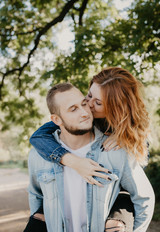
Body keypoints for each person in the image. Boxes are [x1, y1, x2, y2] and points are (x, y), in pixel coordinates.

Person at [27, 67, 151, 231]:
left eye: (98, 103)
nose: (88, 107)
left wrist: (122, 136)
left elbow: (143, 197)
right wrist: (71, 160)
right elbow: (37, 137)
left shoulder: (124, 142)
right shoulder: (72, 121)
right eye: (89, 96)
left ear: (115, 110)